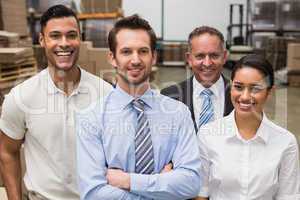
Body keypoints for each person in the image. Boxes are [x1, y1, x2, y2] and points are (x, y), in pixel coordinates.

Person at [76, 14, 201, 200]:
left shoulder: (178, 113)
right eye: (126, 52)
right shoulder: (91, 118)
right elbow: (94, 193)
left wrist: (129, 181)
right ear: (112, 57)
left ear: (154, 56)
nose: (135, 60)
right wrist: (161, 184)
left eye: (143, 51)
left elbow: (191, 183)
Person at [0, 5, 112, 200]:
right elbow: (8, 152)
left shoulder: (105, 94)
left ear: (80, 38)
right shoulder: (22, 96)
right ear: (42, 40)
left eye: (71, 35)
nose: (64, 43)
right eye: (55, 36)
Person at [196, 54, 300, 200]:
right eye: (238, 87)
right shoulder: (208, 135)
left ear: (269, 92)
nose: (244, 96)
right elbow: (201, 193)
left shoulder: (286, 142)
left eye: (255, 89)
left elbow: (288, 196)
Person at [161, 26, 233, 131]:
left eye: (214, 55)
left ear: (225, 57)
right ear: (189, 59)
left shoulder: (240, 96)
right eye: (200, 56)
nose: (207, 63)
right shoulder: (169, 96)